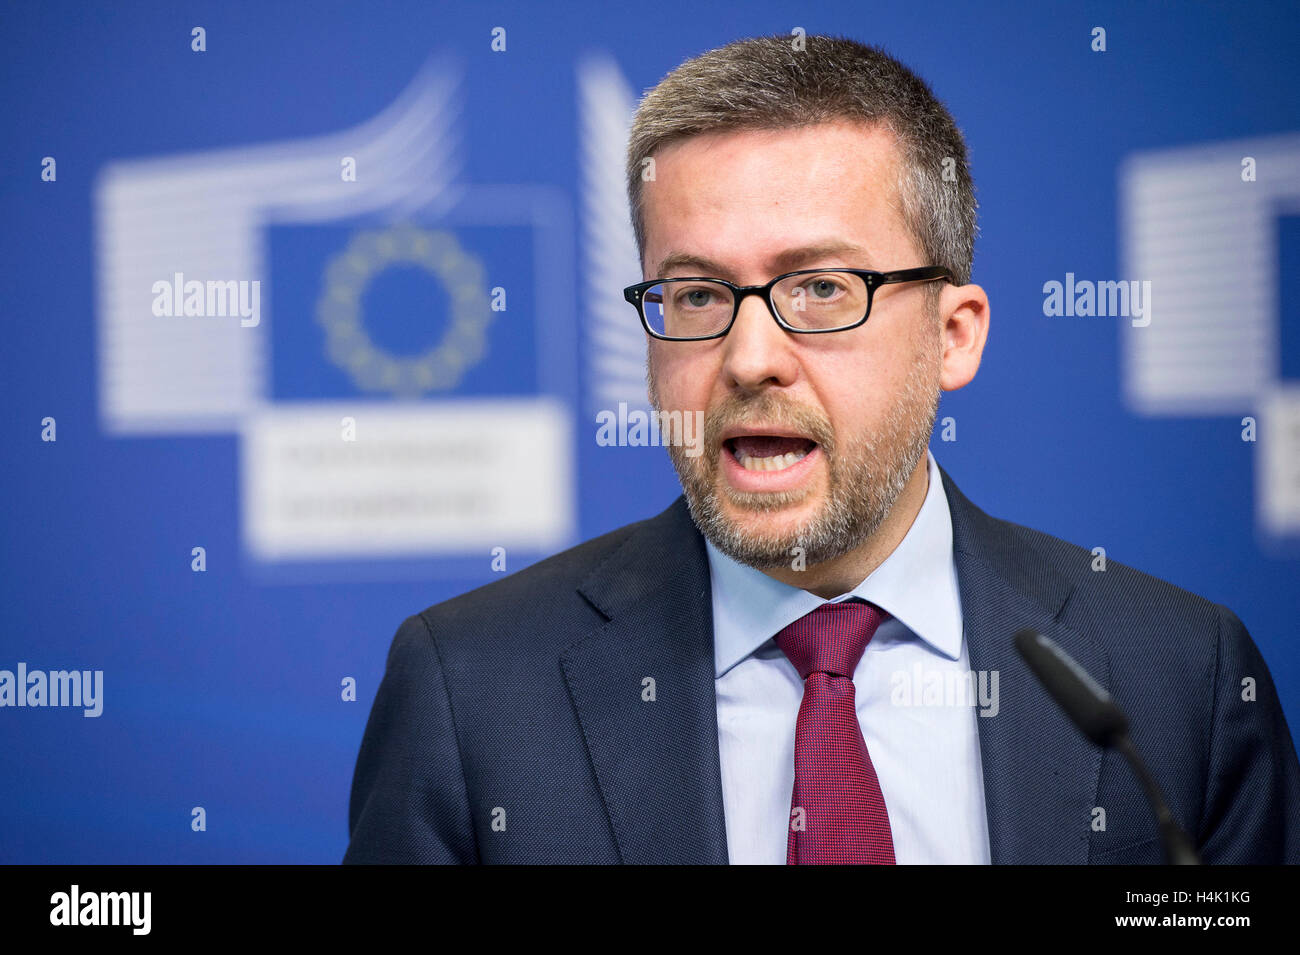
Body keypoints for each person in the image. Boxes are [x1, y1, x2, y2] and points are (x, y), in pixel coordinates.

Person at [343, 34, 1300, 864]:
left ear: (953, 335)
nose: (750, 359)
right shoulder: (470, 691)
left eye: (821, 289)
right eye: (697, 296)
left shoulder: (1180, 677)